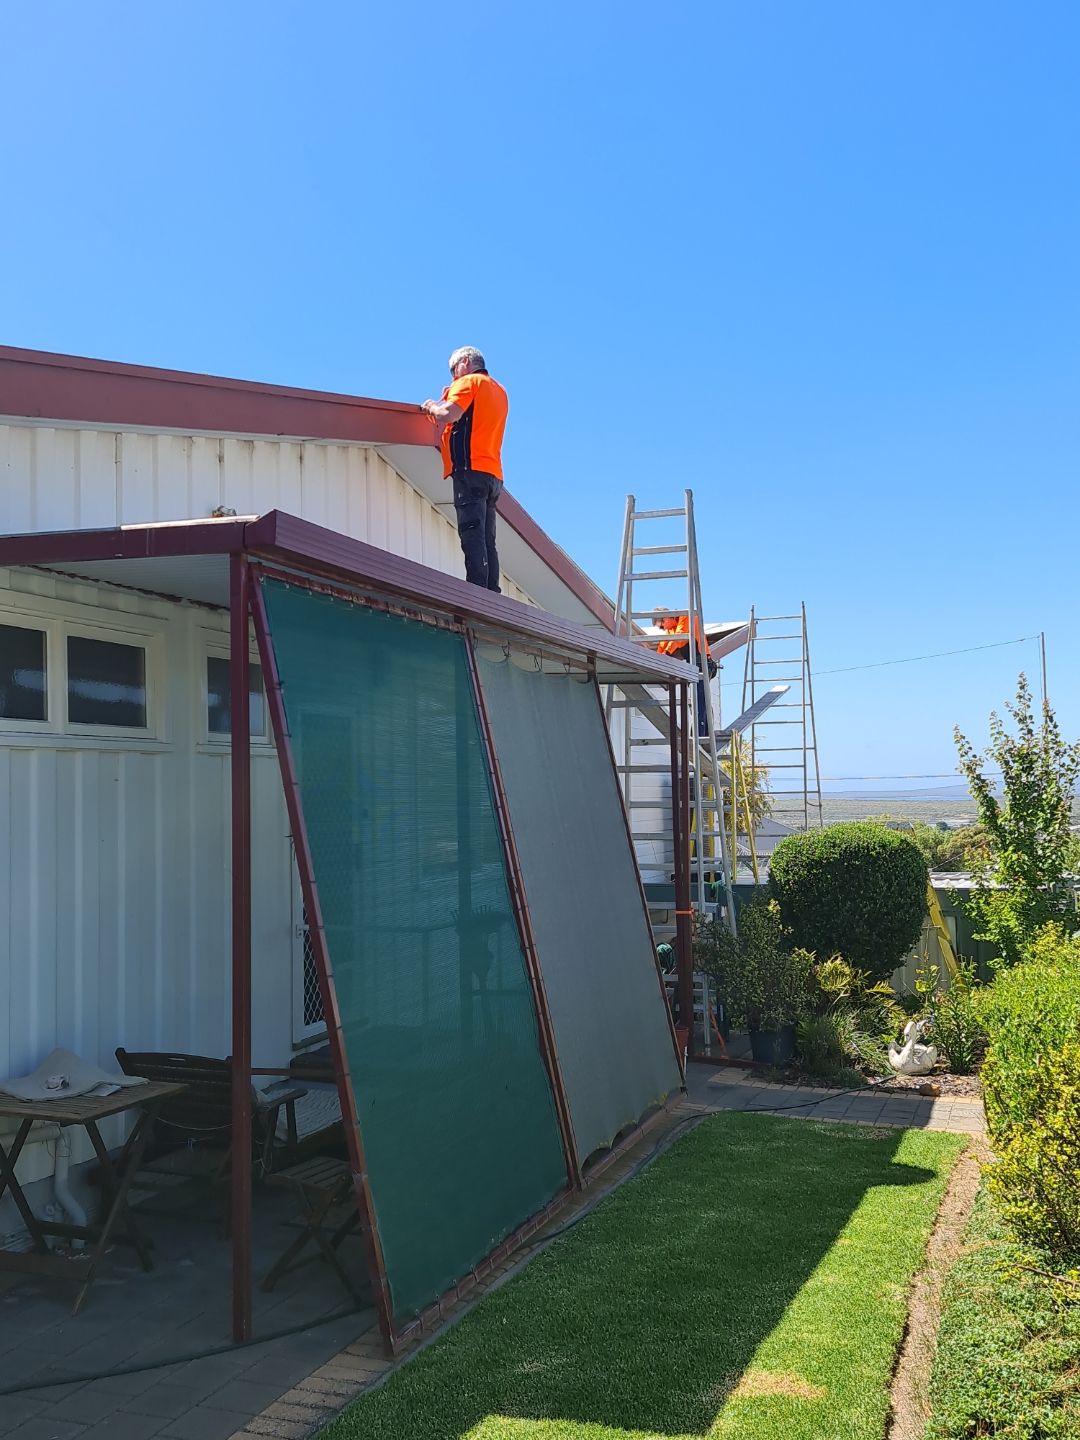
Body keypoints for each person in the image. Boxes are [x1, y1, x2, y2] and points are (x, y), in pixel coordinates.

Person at [421, 347, 509, 591]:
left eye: (453, 369)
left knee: (472, 533)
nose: (452, 377)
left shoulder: (468, 382)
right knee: (487, 537)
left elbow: (449, 414)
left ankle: (477, 592)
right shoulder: (499, 390)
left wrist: (431, 408)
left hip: (470, 470)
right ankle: (491, 591)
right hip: (493, 473)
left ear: (466, 362)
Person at [656, 610, 717, 737]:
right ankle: (702, 733)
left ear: (666, 618)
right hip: (694, 664)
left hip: (702, 663)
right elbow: (664, 645)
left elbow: (680, 638)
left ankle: (701, 735)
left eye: (661, 625)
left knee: (700, 700)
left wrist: (665, 654)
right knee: (699, 700)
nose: (662, 628)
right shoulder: (671, 630)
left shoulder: (686, 618)